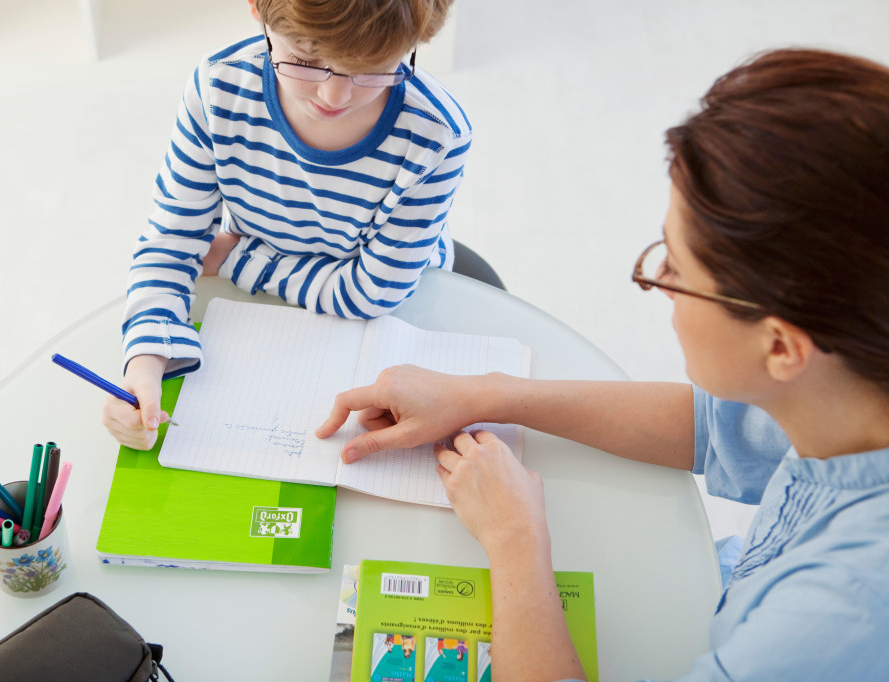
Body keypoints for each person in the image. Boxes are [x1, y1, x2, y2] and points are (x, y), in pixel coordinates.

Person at [317, 48, 889, 680]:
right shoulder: (851, 379)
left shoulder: (839, 618)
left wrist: (515, 542)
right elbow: (712, 426)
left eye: (677, 269)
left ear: (782, 347)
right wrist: (486, 394)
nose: (661, 283)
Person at [106, 0, 469, 449]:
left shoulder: (436, 134)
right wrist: (144, 363)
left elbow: (375, 293)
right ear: (257, 9)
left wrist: (240, 259)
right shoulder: (218, 87)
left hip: (392, 307)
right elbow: (170, 243)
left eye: (372, 67)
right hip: (271, 306)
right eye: (304, 61)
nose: (333, 97)